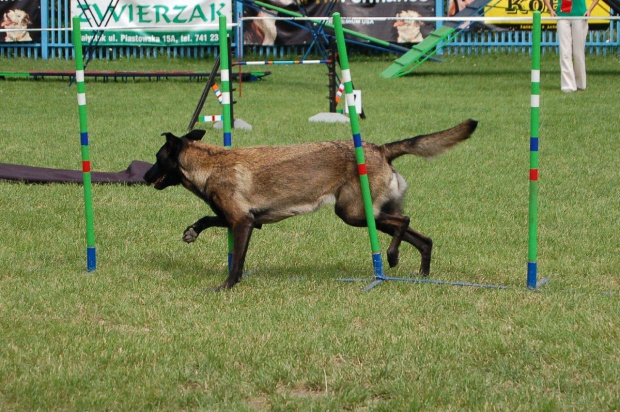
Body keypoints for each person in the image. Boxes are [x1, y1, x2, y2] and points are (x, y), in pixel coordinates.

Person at [543, 0, 601, 92]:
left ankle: (580, 84)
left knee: (578, 53)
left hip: (580, 15)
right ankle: (568, 86)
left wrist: (590, 10)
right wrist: (550, 9)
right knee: (565, 52)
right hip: (562, 16)